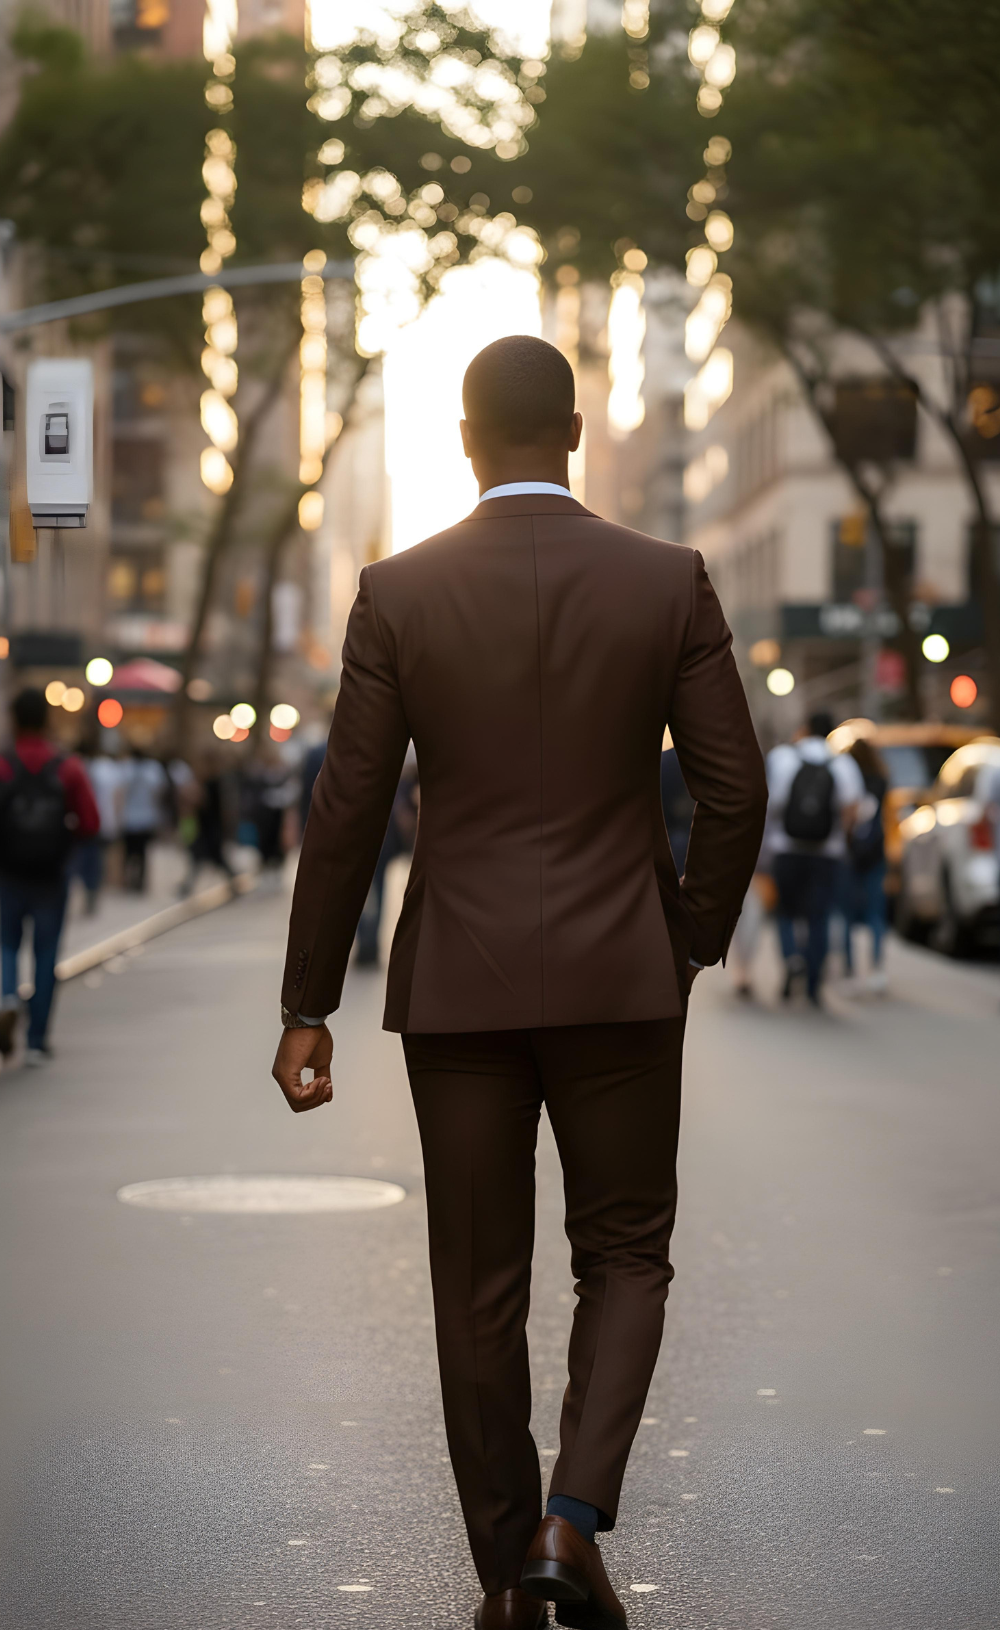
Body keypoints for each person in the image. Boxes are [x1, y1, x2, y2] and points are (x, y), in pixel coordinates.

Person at [270, 336, 767, 1630]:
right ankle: (573, 1517)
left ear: (464, 437)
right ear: (579, 429)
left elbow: (347, 812)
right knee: (626, 1254)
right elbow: (737, 786)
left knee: (476, 1280)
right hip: (621, 978)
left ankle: (507, 1571)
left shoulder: (399, 592)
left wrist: (307, 1002)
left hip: (459, 988)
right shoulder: (667, 580)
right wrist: (687, 938)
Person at [0, 687, 100, 1063]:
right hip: (52, 875)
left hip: (7, 873)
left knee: (5, 944)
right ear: (47, 719)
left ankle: (6, 996)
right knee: (45, 955)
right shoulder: (67, 766)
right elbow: (91, 822)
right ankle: (37, 1041)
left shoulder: (3, 764)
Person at [765, 710, 864, 1006]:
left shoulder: (783, 758)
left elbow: (771, 802)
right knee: (819, 916)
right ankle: (812, 984)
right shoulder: (843, 764)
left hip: (786, 848)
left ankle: (792, 958)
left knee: (785, 912)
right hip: (827, 853)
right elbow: (852, 810)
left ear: (804, 728)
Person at [354, 745, 419, 966]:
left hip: (370, 839)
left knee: (364, 892)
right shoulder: (401, 770)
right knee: (374, 892)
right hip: (380, 840)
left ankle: (367, 942)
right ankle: (368, 943)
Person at [842, 736, 889, 995]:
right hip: (875, 854)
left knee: (847, 914)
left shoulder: (850, 781)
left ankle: (850, 969)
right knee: (875, 912)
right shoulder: (880, 780)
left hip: (851, 852)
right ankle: (877, 968)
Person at [71, 733, 123, 914]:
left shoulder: (86, 768)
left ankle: (91, 893)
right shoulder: (107, 769)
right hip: (99, 822)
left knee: (88, 860)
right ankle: (93, 893)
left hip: (88, 824)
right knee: (95, 860)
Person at [120, 744, 169, 892]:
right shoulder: (152, 769)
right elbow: (160, 792)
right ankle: (138, 881)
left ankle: (130, 880)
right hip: (144, 817)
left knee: (131, 852)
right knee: (141, 852)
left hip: (132, 818)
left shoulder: (127, 768)